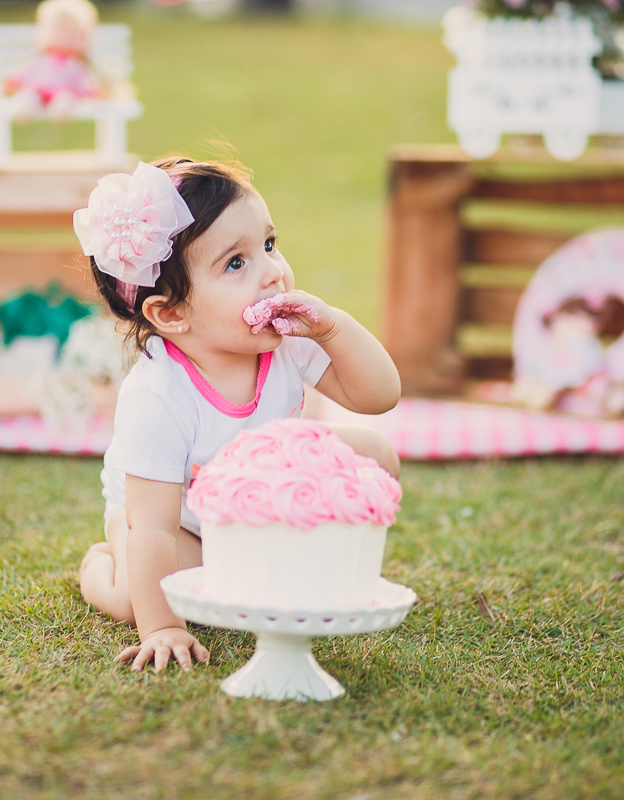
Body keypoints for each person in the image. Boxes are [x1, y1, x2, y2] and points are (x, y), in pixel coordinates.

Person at [75, 157, 401, 673]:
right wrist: (162, 628)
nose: (273, 273)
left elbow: (379, 395)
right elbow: (154, 529)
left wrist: (332, 329)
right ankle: (98, 569)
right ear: (172, 314)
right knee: (151, 592)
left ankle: (300, 554)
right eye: (236, 263)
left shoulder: (286, 340)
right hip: (175, 521)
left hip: (263, 499)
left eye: (269, 245)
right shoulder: (159, 395)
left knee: (375, 452)